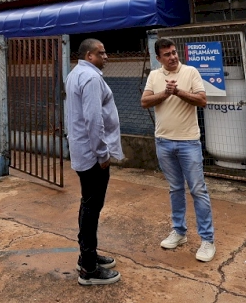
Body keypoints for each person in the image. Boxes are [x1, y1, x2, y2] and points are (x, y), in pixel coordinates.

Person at [141, 38, 216, 262]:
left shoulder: (191, 72)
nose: (172, 57)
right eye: (167, 54)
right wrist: (165, 93)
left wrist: (178, 92)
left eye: (174, 52)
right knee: (175, 188)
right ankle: (179, 232)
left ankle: (207, 240)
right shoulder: (154, 76)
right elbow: (145, 101)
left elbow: (202, 100)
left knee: (198, 190)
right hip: (163, 141)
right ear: (158, 58)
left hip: (188, 142)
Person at [65, 38, 124, 286]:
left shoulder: (76, 74)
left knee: (88, 204)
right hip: (92, 155)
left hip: (83, 151)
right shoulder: (90, 78)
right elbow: (93, 119)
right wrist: (102, 153)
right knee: (91, 207)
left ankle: (87, 256)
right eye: (102, 53)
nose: (106, 56)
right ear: (89, 55)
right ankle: (89, 269)